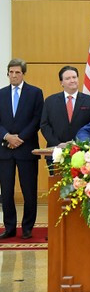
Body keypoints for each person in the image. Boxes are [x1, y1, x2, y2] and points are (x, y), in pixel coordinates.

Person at [0, 59, 44, 239]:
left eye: (17, 72)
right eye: (11, 72)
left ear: (23, 73)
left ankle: (27, 228)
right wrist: (7, 136)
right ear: (7, 73)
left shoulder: (35, 93)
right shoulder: (1, 94)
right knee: (6, 192)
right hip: (5, 150)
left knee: (29, 191)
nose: (14, 75)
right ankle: (9, 227)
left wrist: (20, 138)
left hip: (27, 149)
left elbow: (37, 119)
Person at [40, 66, 90, 172]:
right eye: (68, 78)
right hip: (56, 152)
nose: (72, 80)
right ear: (61, 82)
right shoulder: (50, 101)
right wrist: (58, 144)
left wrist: (80, 144)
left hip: (82, 153)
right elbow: (44, 125)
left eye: (74, 77)